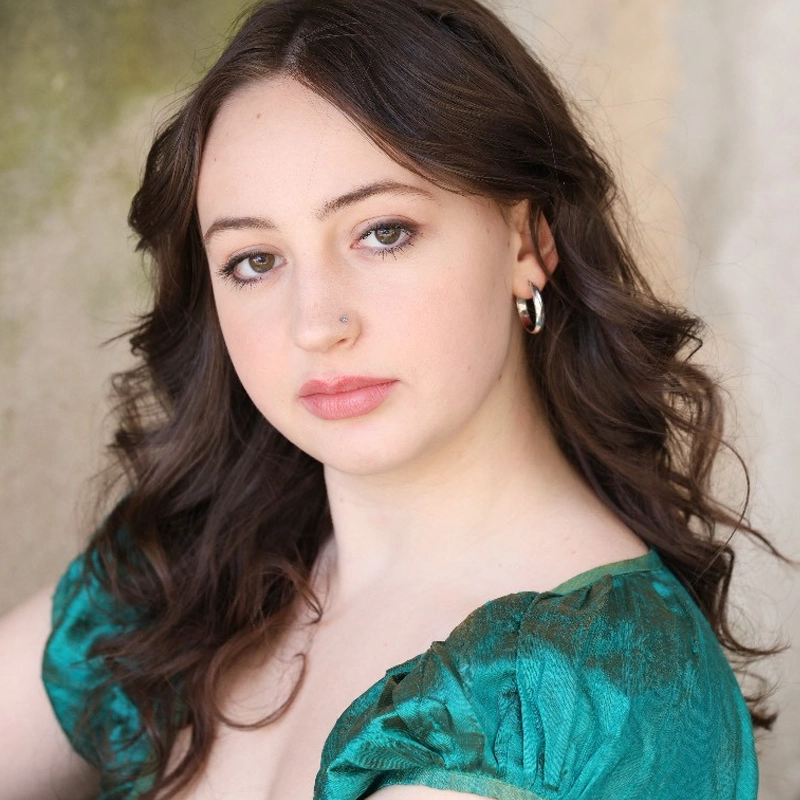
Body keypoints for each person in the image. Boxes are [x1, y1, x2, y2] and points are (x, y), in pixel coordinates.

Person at [0, 0, 781, 798]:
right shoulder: (189, 566)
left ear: (527, 242)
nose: (316, 324)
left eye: (383, 232)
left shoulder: (583, 694)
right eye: (255, 260)